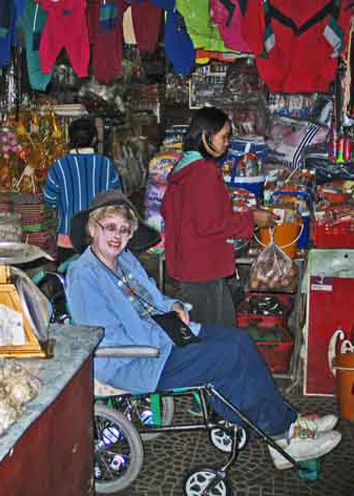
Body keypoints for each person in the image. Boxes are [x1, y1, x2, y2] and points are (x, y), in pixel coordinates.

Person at [66, 190, 342, 470]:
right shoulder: (83, 274)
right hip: (135, 359)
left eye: (124, 230)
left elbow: (154, 299)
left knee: (239, 341)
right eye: (110, 227)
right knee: (225, 357)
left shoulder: (124, 260)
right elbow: (104, 337)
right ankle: (283, 437)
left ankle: (291, 422)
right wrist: (163, 335)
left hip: (163, 338)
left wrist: (174, 306)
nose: (118, 236)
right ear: (92, 228)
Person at [161, 107, 274, 327]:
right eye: (224, 136)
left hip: (186, 265)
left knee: (202, 330)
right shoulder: (203, 171)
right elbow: (212, 224)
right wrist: (253, 219)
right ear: (205, 136)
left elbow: (179, 212)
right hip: (203, 267)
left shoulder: (183, 166)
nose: (227, 143)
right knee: (217, 334)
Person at [44, 117, 122, 264]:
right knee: (98, 283)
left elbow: (49, 200)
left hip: (68, 239)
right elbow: (117, 199)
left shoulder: (59, 166)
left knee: (71, 282)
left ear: (70, 139)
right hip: (100, 238)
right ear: (93, 139)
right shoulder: (105, 165)